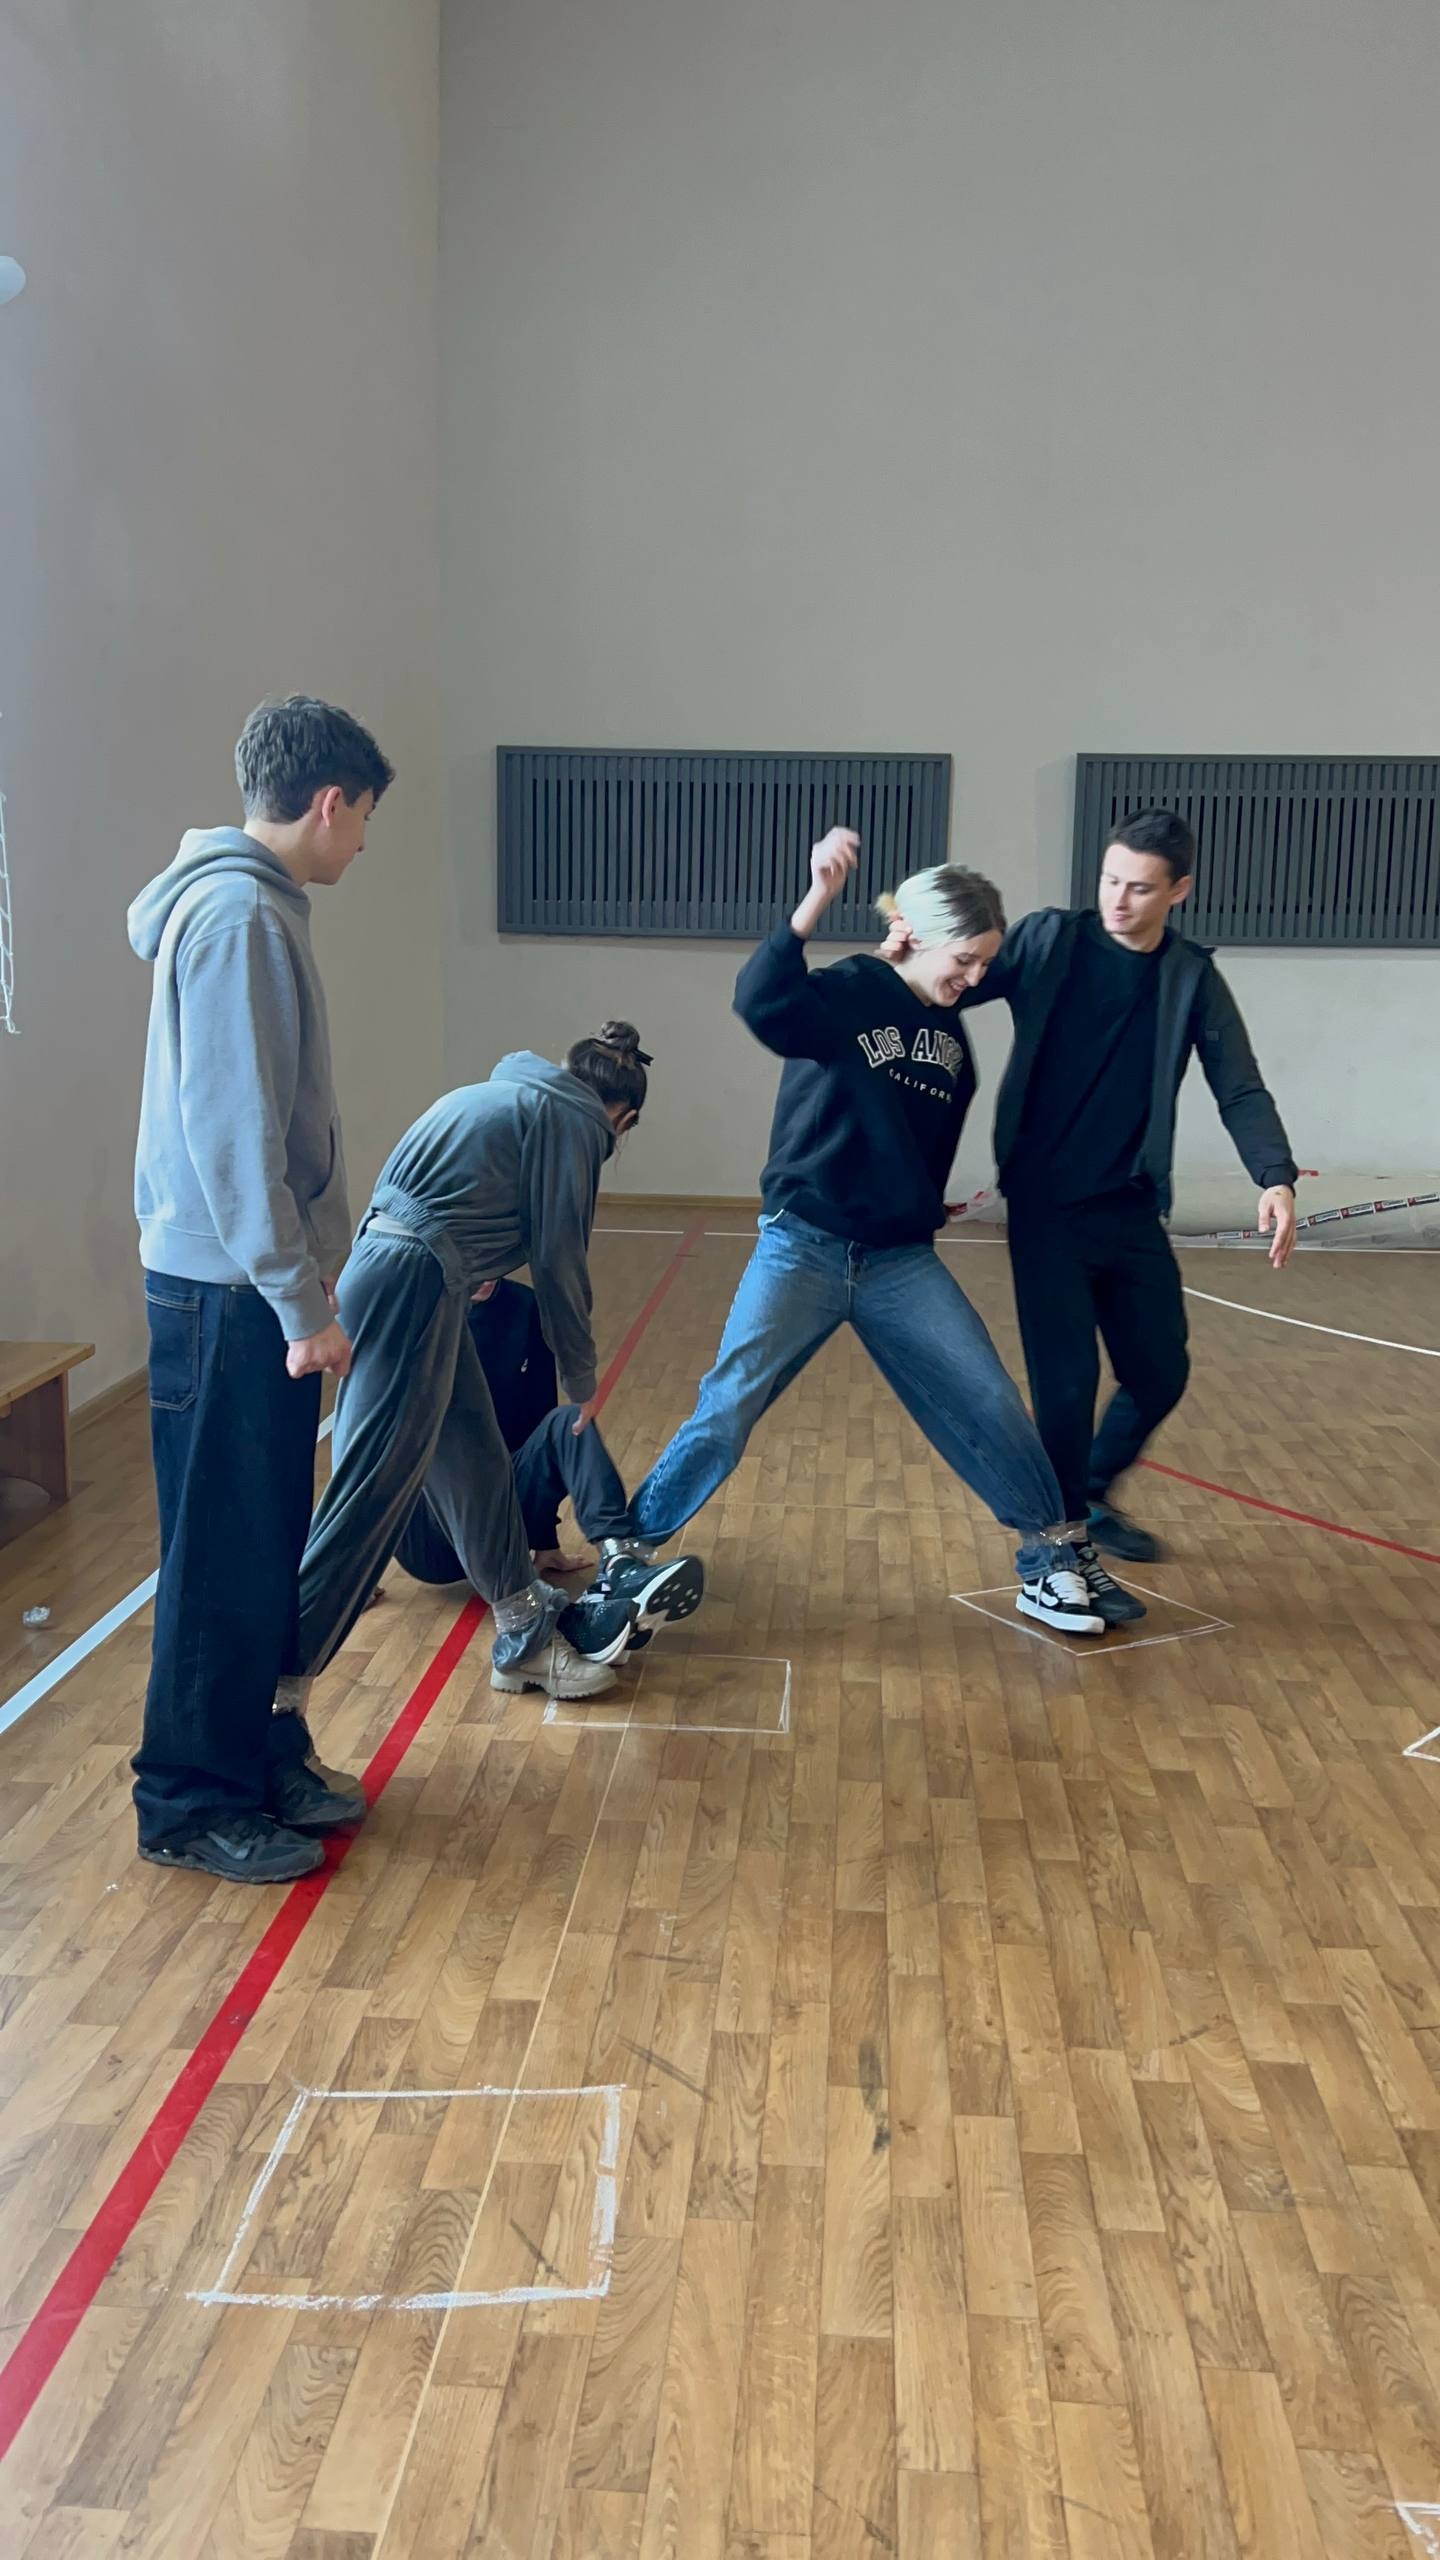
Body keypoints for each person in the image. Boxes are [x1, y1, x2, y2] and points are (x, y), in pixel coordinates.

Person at [630, 829, 1127, 1634]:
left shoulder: (951, 1037)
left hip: (900, 1262)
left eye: (984, 964)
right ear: (916, 937)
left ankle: (1050, 1559)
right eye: (964, 960)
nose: (974, 979)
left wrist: (926, 1200)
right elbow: (761, 1001)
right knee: (728, 1404)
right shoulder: (848, 990)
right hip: (804, 1245)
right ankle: (628, 1551)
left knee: (989, 1397)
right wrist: (815, 900)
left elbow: (915, 1139)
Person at [129, 694, 393, 1885]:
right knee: (222, 1554)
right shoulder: (237, 916)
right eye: (366, 816)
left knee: (264, 1540)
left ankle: (262, 1755)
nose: (364, 842)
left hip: (250, 1286)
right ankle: (191, 1799)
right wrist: (302, 1305)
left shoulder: (255, 905)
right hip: (229, 1295)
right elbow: (235, 1138)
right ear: (329, 801)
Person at [273, 1024, 705, 1724]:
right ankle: (273, 1694)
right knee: (370, 1488)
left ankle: (524, 1635)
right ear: (622, 1118)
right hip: (414, 1279)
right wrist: (582, 1379)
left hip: (403, 1272)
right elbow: (560, 1260)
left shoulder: (505, 1092)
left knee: (474, 1454)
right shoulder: (574, 1122)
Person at [943, 806, 1298, 1566]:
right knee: (1065, 1385)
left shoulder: (1190, 977)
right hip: (1045, 1209)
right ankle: (1061, 1541)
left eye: (1139, 888)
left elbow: (1239, 1084)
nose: (1117, 899)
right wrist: (905, 956)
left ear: (1179, 891)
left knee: (1161, 1371)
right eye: (1110, 880)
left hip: (1131, 1208)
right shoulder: (1047, 940)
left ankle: (1092, 1491)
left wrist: (1275, 1176)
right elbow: (952, 984)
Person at [386, 1277, 702, 1654]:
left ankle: (620, 1562)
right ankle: (558, 1626)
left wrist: (544, 1540)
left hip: (495, 1510)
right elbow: (375, 1450)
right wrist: (351, 1568)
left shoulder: (525, 1306)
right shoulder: (418, 1308)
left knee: (569, 1423)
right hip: (431, 1538)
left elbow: (539, 1421)